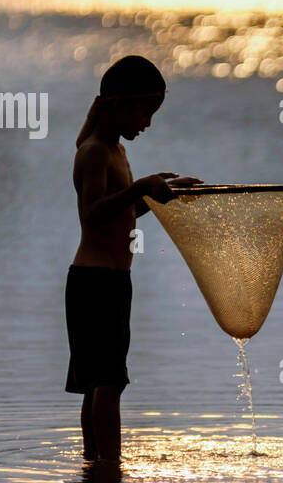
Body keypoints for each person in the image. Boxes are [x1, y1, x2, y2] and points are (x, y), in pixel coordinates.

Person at [65, 55, 200, 460]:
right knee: (106, 382)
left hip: (111, 282)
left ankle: (97, 472)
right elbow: (91, 215)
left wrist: (160, 198)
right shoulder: (94, 153)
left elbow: (119, 213)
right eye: (145, 111)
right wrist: (139, 187)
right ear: (120, 104)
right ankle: (108, 467)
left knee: (103, 382)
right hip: (94, 282)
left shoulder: (115, 150)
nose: (147, 122)